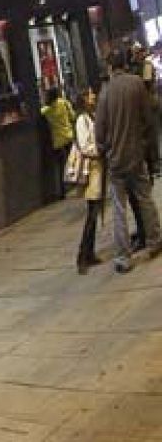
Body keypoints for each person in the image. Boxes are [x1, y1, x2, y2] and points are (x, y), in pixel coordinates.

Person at [96, 47, 162, 273]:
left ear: (109, 66)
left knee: (119, 209)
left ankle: (123, 258)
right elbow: (148, 119)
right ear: (125, 63)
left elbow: (99, 132)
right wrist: (146, 147)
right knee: (145, 199)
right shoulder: (136, 84)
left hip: (116, 161)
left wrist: (105, 150)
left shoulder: (105, 92)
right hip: (136, 155)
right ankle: (155, 241)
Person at [67, 87, 105, 274]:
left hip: (98, 168)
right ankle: (82, 256)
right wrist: (100, 150)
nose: (93, 96)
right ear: (84, 98)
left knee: (94, 212)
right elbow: (84, 146)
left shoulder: (92, 116)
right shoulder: (82, 120)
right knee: (92, 213)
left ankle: (89, 253)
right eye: (90, 94)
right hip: (91, 170)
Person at [41, 87, 76, 199]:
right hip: (68, 136)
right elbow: (73, 116)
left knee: (61, 166)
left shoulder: (47, 110)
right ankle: (76, 183)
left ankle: (62, 191)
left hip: (57, 142)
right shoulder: (64, 103)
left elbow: (40, 114)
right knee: (73, 161)